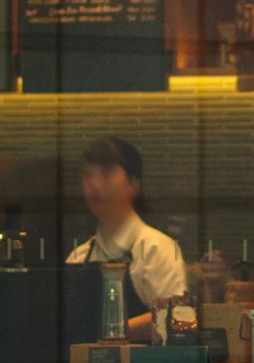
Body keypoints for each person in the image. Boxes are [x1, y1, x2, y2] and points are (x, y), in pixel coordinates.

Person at [67, 134, 189, 337]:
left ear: (133, 183)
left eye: (105, 175)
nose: (94, 184)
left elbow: (179, 319)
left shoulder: (155, 248)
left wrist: (113, 331)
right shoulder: (78, 257)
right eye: (88, 176)